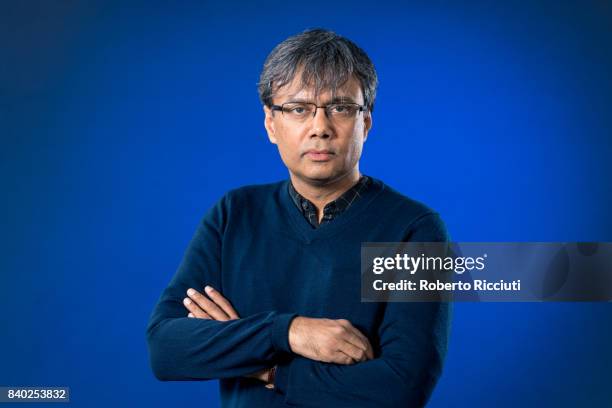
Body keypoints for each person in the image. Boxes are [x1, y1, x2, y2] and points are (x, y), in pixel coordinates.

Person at [146, 28, 451, 407]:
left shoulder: (414, 230)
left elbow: (402, 388)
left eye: (340, 108)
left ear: (366, 122)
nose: (320, 128)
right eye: (298, 109)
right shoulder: (235, 215)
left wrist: (263, 367)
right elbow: (166, 349)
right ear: (271, 124)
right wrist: (289, 332)